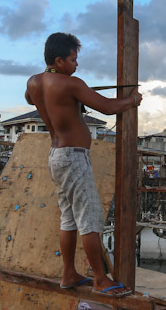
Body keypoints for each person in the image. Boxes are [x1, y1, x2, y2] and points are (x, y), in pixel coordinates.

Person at [25, 32, 142, 295]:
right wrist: (133, 100)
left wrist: (63, 91)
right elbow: (109, 107)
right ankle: (101, 279)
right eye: (73, 60)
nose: (77, 65)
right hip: (74, 156)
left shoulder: (34, 82)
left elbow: (30, 99)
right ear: (59, 59)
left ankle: (69, 274)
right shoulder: (71, 84)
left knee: (68, 218)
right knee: (89, 219)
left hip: (56, 156)